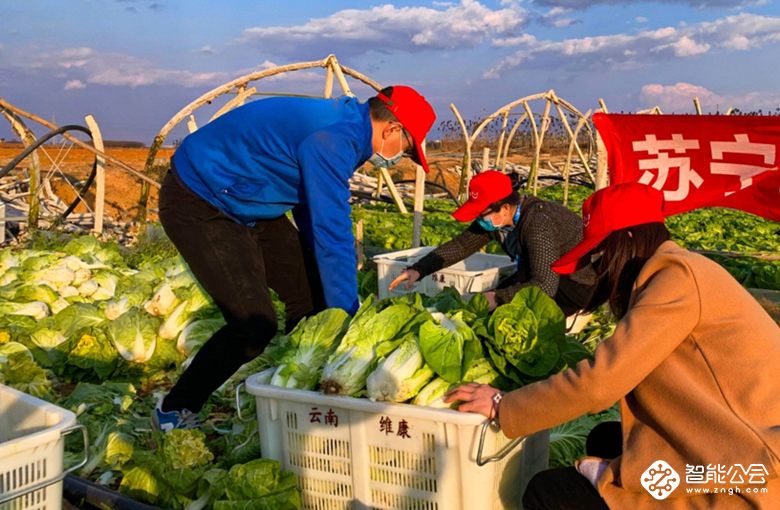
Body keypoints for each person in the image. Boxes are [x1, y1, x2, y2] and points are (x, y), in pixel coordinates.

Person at [444, 182, 780, 509]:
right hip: (735, 439)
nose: (599, 269)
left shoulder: (676, 277)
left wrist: (503, 405)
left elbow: (600, 382)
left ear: (629, 239)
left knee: (547, 492)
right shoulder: (680, 271)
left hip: (752, 472)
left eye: (600, 255)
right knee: (607, 438)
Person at [153, 86, 436, 431]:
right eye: (406, 150)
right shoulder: (335, 138)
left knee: (313, 299)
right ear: (392, 129)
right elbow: (332, 234)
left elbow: (311, 208)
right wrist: (346, 316)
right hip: (200, 200)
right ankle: (175, 409)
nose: (398, 159)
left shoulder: (351, 128)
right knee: (253, 324)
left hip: (252, 202)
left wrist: (332, 305)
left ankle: (300, 396)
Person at [389, 170, 597, 316]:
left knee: (500, 306)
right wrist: (418, 269)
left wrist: (499, 297)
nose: (479, 220)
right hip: (545, 276)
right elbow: (461, 246)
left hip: (575, 287)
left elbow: (545, 286)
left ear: (505, 208)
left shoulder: (538, 223)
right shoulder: (499, 222)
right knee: (491, 300)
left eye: (481, 214)